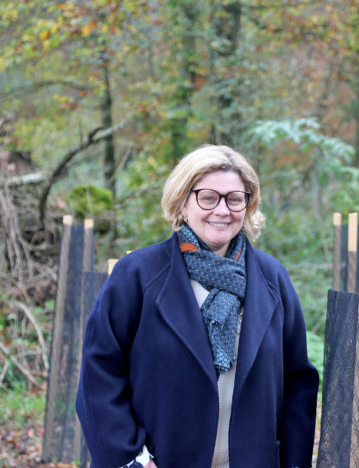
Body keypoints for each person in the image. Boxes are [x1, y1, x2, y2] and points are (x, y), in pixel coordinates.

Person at [76, 144, 319, 468]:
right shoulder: (137, 275)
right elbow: (100, 373)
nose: (222, 210)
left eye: (235, 198)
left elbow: (298, 385)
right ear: (182, 202)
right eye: (208, 197)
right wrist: (131, 459)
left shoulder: (272, 279)